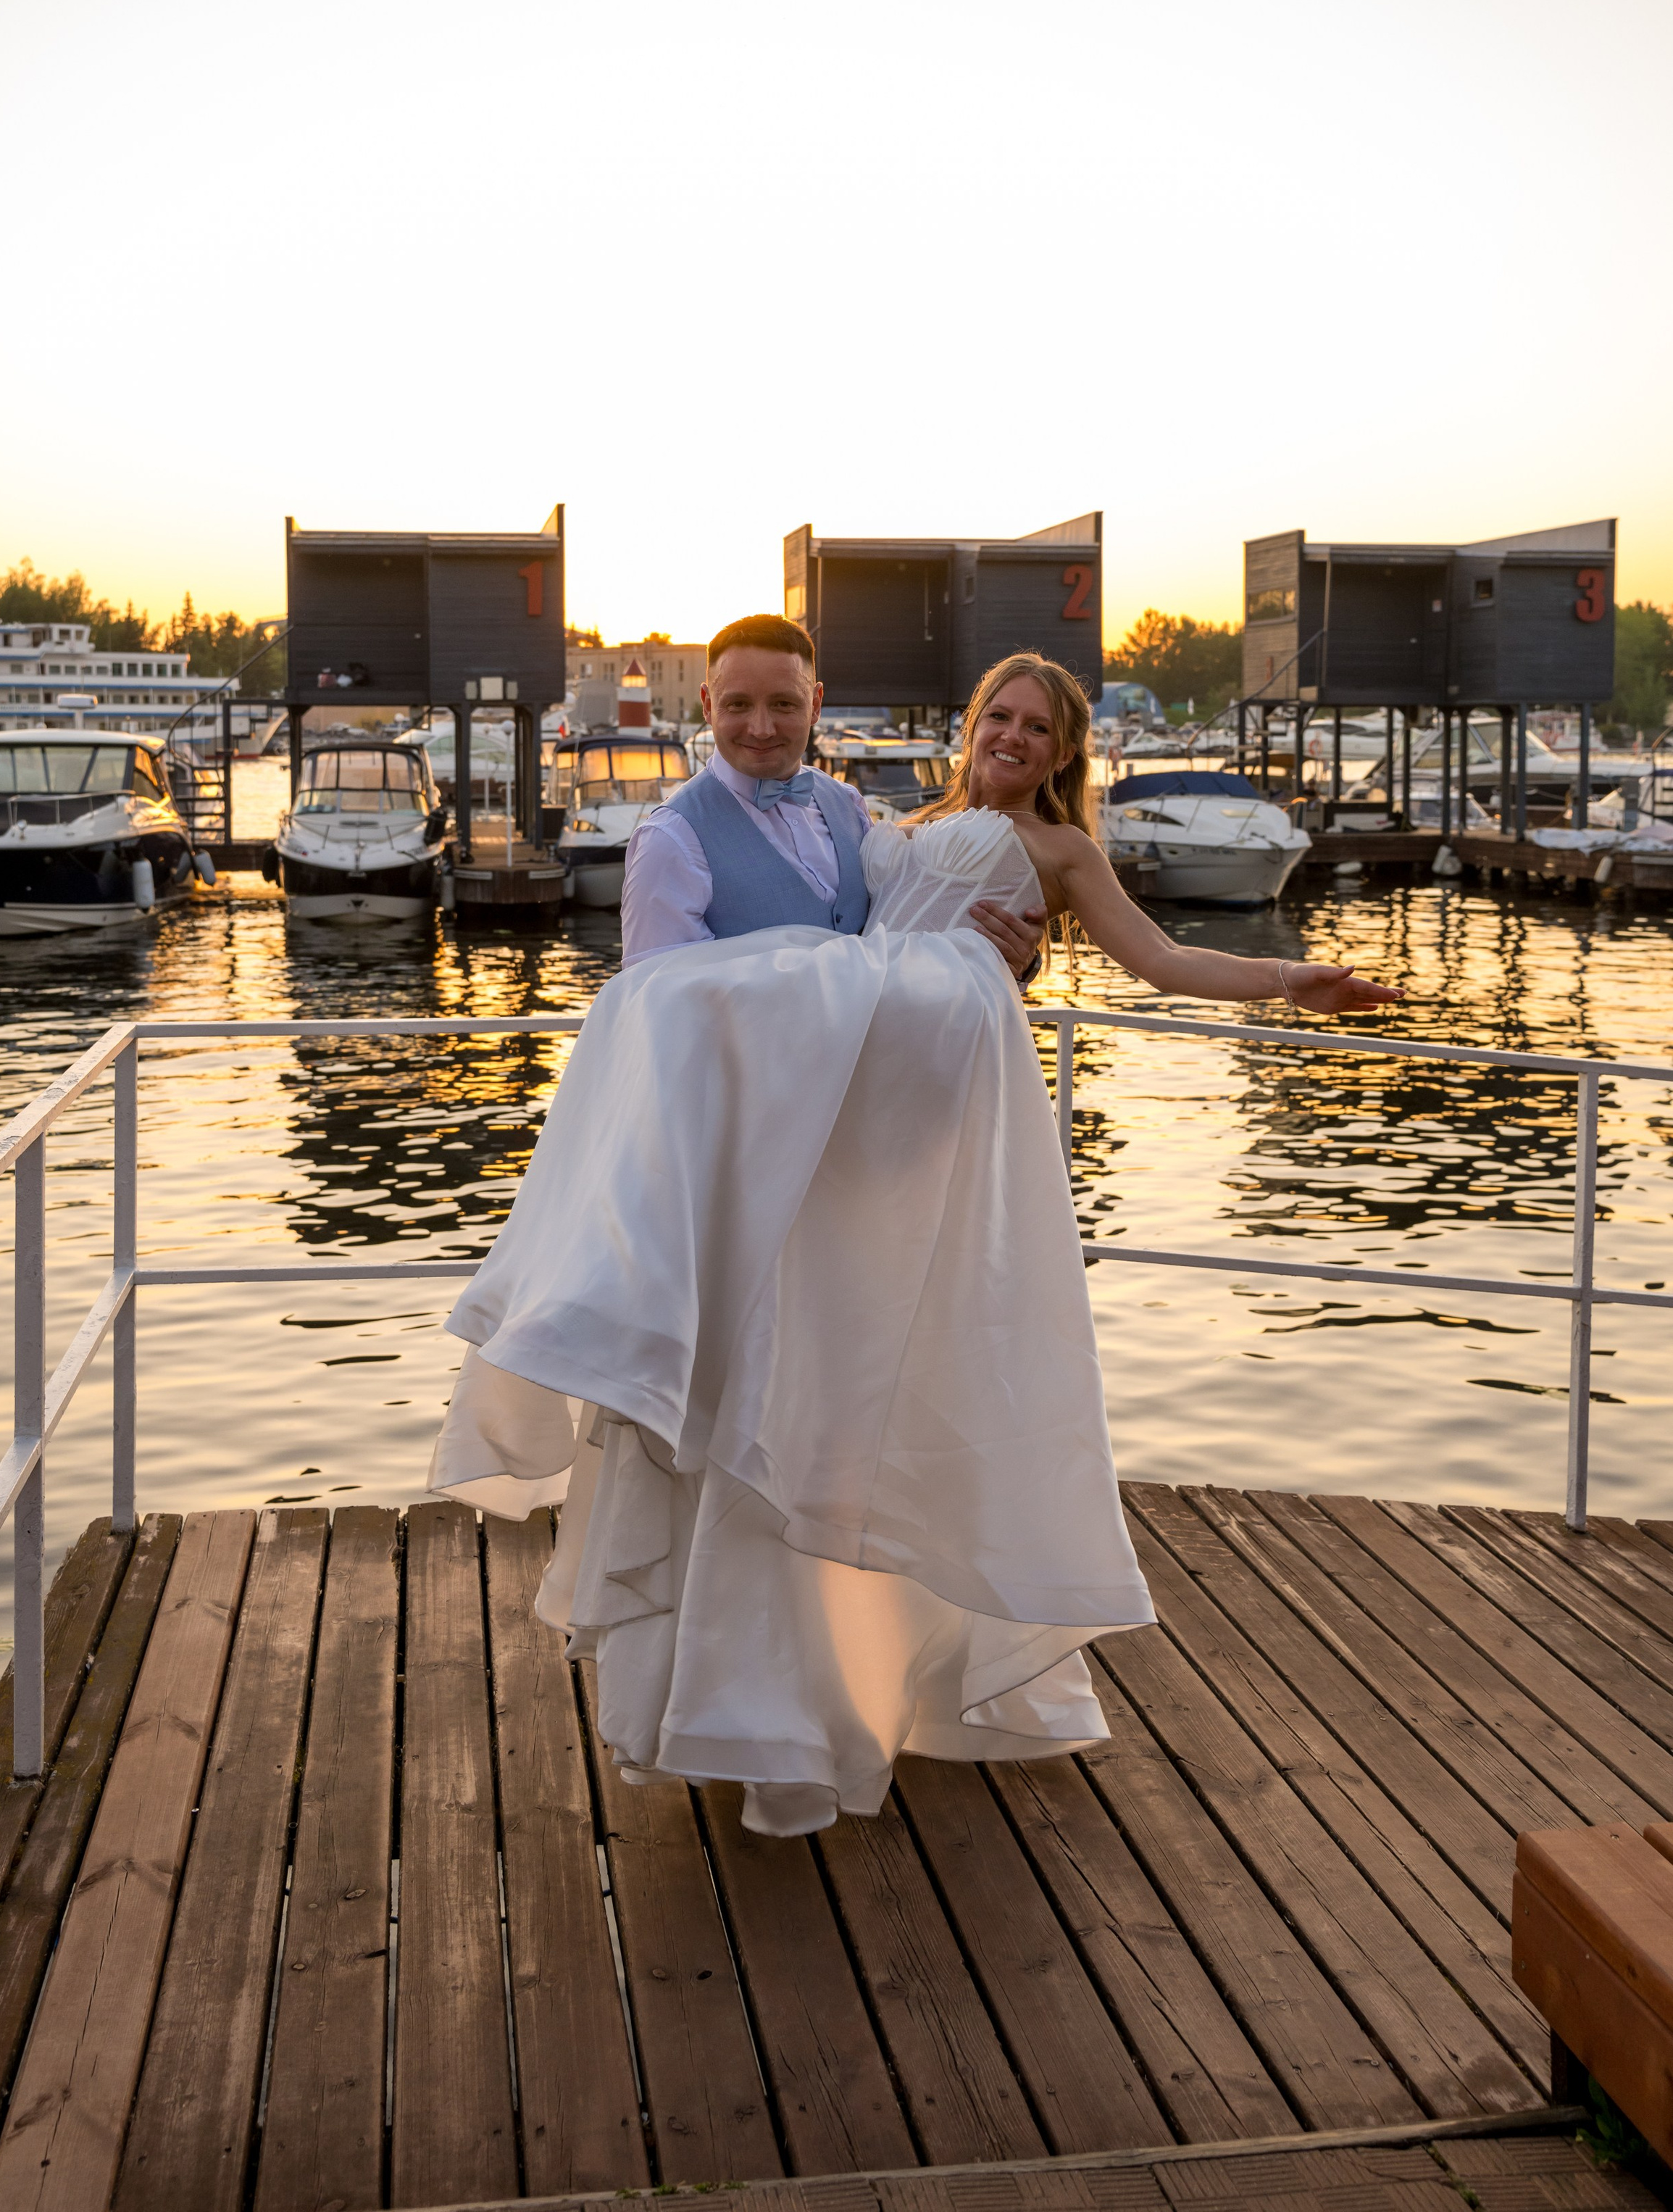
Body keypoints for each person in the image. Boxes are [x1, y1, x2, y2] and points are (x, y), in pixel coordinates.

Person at [429, 620, 1400, 1835]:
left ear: (1064, 751)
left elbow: (1153, 958)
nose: (1013, 739)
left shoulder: (993, 837)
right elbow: (690, 1000)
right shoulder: (851, 826)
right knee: (759, 1393)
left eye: (1037, 729)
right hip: (794, 1145)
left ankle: (866, 1681)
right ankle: (748, 1688)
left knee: (854, 1398)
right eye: (999, 718)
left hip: (887, 1127)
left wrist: (1286, 981)